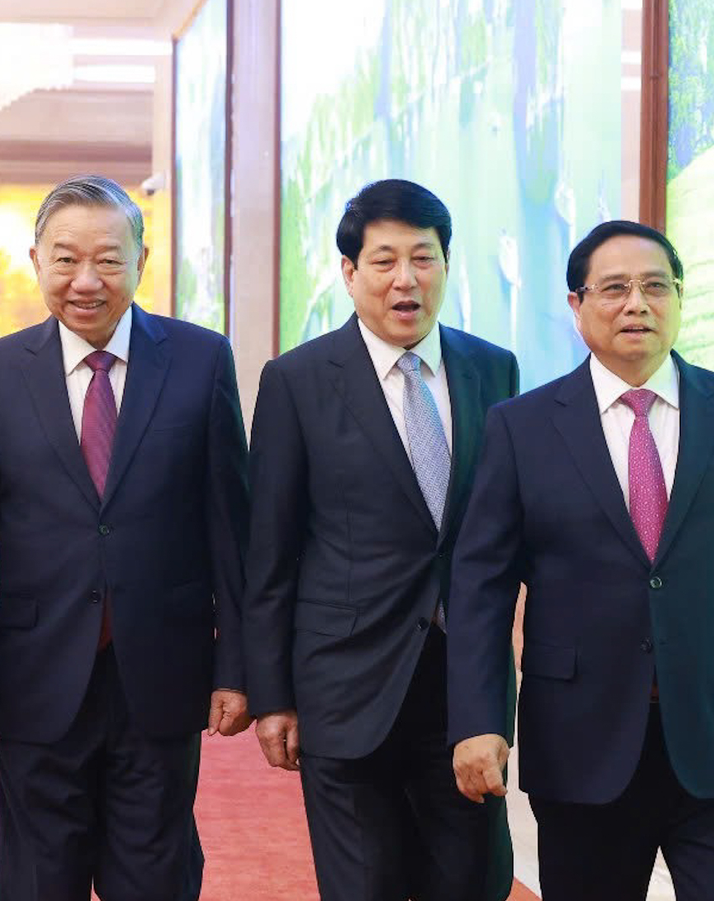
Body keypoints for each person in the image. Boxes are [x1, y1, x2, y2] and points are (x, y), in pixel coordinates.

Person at [448, 220, 714, 900]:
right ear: (577, 306)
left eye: (655, 287)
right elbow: (480, 587)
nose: (637, 303)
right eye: (614, 289)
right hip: (581, 746)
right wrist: (477, 720)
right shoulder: (521, 427)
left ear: (679, 299)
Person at [0, 174, 250, 900]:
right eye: (65, 259)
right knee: (38, 881)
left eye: (108, 260)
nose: (85, 281)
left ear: (141, 261)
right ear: (36, 261)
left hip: (163, 670)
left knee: (155, 877)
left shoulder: (200, 359)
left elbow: (230, 529)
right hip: (36, 672)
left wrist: (239, 666)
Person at [242, 179, 518, 901]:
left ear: (446, 264)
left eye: (423, 258)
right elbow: (269, 552)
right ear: (349, 271)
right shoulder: (297, 381)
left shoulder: (494, 370)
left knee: (474, 881)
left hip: (463, 687)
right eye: (385, 260)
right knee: (366, 886)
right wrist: (272, 695)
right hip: (344, 686)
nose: (406, 279)